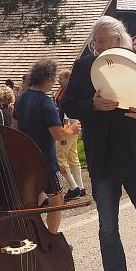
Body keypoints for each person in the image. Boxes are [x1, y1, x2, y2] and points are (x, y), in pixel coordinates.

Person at [61, 15, 136, 271]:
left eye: (101, 41)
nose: (96, 46)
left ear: (118, 40)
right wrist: (92, 106)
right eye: (94, 42)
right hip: (103, 159)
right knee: (108, 228)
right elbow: (69, 106)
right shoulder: (84, 66)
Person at [13, 59, 78, 233]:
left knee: (30, 202)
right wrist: (71, 129)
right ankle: (52, 238)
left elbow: (14, 129)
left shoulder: (21, 98)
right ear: (48, 79)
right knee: (57, 201)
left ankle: (32, 236)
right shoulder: (46, 101)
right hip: (46, 162)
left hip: (26, 160)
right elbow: (57, 134)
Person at [55, 69, 87, 202]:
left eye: (61, 79)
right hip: (74, 126)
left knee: (59, 157)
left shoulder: (70, 92)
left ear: (68, 78)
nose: (59, 82)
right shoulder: (74, 90)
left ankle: (73, 187)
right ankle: (80, 186)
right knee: (72, 156)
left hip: (68, 125)